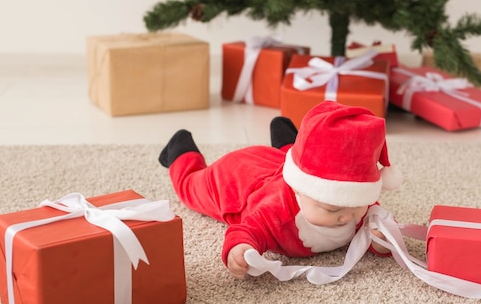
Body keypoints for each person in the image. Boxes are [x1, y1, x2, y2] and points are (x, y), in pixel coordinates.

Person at [158, 101, 402, 279]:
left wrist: (382, 241)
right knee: (190, 188)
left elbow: (375, 226)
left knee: (311, 160)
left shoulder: (356, 200)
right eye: (333, 208)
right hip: (237, 177)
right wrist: (241, 249)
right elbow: (247, 230)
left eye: (358, 205)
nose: (348, 217)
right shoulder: (276, 214)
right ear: (300, 190)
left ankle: (290, 143)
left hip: (276, 163)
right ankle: (180, 150)